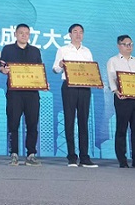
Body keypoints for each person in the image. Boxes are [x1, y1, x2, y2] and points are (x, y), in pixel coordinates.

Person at [52, 23, 97, 167]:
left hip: (84, 88)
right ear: (70, 34)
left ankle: (84, 157)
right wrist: (60, 65)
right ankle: (71, 156)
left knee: (84, 121)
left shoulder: (87, 51)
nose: (78, 34)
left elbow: (91, 70)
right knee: (69, 120)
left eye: (81, 32)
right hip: (69, 87)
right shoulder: (63, 49)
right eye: (75, 32)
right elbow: (55, 69)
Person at [0, 23, 43, 167]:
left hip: (32, 94)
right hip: (14, 94)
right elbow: (1, 67)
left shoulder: (35, 51)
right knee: (13, 124)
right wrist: (3, 70)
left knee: (32, 124)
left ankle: (31, 155)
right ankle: (14, 154)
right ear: (15, 34)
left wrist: (43, 82)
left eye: (27, 33)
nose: (24, 35)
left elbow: (39, 71)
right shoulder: (8, 49)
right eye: (21, 33)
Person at [106, 35, 135, 168]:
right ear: (119, 46)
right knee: (121, 129)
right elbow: (111, 78)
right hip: (122, 99)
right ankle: (122, 160)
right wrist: (116, 91)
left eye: (130, 44)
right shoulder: (113, 61)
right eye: (125, 44)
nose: (129, 46)